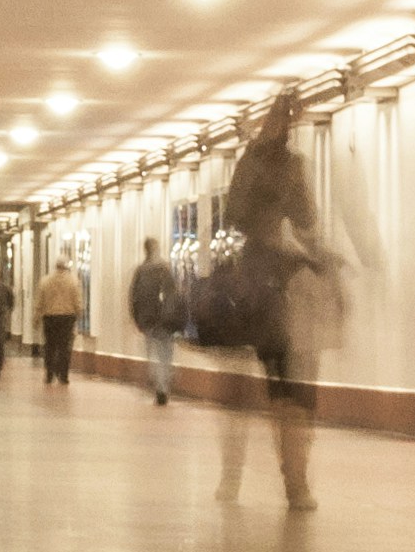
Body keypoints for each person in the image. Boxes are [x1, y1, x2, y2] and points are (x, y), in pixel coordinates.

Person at [211, 89, 339, 512]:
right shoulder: (292, 166)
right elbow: (306, 220)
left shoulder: (247, 163)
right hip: (283, 286)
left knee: (249, 385)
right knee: (294, 389)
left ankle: (231, 477)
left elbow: (232, 215)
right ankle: (296, 484)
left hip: (249, 282)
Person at [129, 239, 182, 406]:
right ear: (156, 249)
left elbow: (133, 297)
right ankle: (164, 384)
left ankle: (160, 385)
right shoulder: (164, 269)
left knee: (153, 355)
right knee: (166, 355)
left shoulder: (140, 271)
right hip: (165, 321)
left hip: (147, 321)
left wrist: (136, 318)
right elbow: (173, 295)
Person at [34, 255, 84, 385]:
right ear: (66, 266)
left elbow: (39, 301)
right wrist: (79, 313)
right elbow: (77, 300)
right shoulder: (73, 281)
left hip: (50, 317)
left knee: (50, 346)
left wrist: (36, 318)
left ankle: (49, 374)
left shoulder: (45, 281)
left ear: (55, 266)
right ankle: (64, 375)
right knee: (64, 347)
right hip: (67, 318)